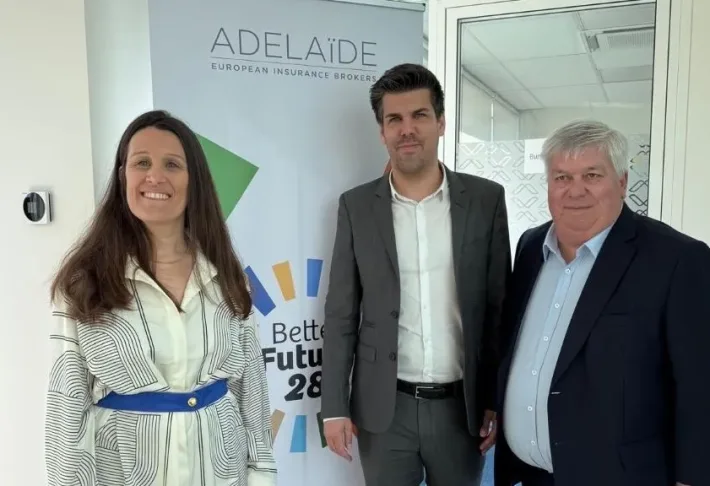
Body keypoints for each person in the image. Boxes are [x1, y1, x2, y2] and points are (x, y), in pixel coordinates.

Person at [44, 110, 276, 486]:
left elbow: (251, 391)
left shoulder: (229, 279)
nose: (155, 176)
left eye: (172, 164)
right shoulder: (84, 284)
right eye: (142, 163)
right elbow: (66, 408)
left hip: (221, 472)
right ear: (123, 175)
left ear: (193, 179)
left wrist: (262, 475)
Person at [320, 63, 511, 486]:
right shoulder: (356, 207)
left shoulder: (485, 201)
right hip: (384, 410)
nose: (407, 129)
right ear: (382, 131)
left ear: (440, 122)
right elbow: (341, 314)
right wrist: (333, 406)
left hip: (462, 408)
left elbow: (498, 310)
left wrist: (496, 399)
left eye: (419, 115)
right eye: (395, 119)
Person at [494, 120, 710, 486]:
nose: (575, 190)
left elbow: (700, 384)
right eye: (562, 177)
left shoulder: (676, 259)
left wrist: (693, 478)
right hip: (532, 475)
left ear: (622, 182)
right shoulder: (531, 247)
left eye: (592, 175)